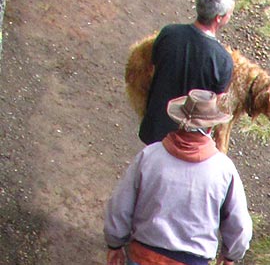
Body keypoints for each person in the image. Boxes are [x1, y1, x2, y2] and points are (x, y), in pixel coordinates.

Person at [104, 89, 253, 265]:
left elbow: (120, 206)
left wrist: (115, 244)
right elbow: (240, 226)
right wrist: (230, 256)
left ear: (179, 121)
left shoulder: (149, 156)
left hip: (143, 256)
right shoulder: (224, 170)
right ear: (211, 127)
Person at [139, 0, 236, 145]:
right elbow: (214, 104)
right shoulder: (223, 60)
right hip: (189, 141)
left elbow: (154, 67)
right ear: (219, 18)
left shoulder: (168, 33)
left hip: (154, 129)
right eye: (230, 13)